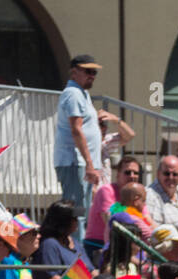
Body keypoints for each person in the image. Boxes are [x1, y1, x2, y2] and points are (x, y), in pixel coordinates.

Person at [53, 55, 103, 242]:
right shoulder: (73, 94)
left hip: (82, 163)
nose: (92, 76)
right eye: (88, 71)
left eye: (94, 72)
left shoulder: (82, 93)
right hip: (75, 163)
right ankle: (74, 258)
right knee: (76, 213)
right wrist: (90, 164)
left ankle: (77, 254)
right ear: (74, 71)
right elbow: (76, 130)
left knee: (80, 212)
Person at [84, 154, 140, 257]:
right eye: (127, 172)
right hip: (97, 246)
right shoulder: (106, 191)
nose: (132, 176)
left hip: (126, 244)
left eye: (136, 173)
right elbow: (111, 221)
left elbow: (145, 220)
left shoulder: (138, 194)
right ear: (118, 174)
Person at [145, 156, 178, 228]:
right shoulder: (149, 196)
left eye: (175, 174)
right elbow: (156, 230)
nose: (171, 177)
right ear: (158, 174)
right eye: (167, 173)